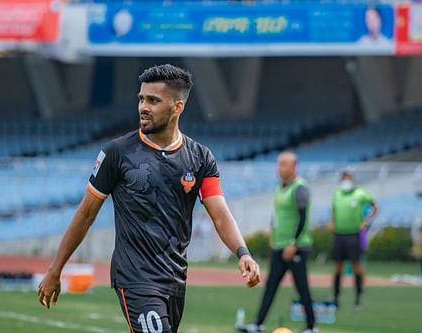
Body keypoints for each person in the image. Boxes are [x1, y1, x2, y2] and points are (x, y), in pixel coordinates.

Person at [37, 64, 261, 333]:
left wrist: (243, 253)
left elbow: (220, 214)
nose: (143, 106)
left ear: (178, 107)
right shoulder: (117, 153)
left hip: (175, 278)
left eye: (153, 100)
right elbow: (86, 214)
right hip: (134, 276)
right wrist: (55, 269)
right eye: (141, 99)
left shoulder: (201, 158)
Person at [240, 151, 317, 333]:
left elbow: (303, 217)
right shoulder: (279, 188)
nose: (279, 167)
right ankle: (257, 324)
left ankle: (311, 327)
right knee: (270, 286)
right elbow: (276, 216)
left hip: (295, 247)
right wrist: (273, 234)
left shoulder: (300, 188)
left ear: (294, 166)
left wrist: (294, 243)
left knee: (302, 287)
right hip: (279, 246)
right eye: (278, 163)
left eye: (284, 163)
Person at [329, 171, 378, 310]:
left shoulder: (360, 193)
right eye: (343, 180)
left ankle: (358, 299)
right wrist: (331, 222)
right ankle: (336, 298)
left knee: (356, 266)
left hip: (353, 235)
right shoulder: (337, 193)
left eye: (348, 179)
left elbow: (375, 206)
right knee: (338, 268)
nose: (346, 182)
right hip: (339, 235)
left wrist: (366, 221)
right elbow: (333, 210)